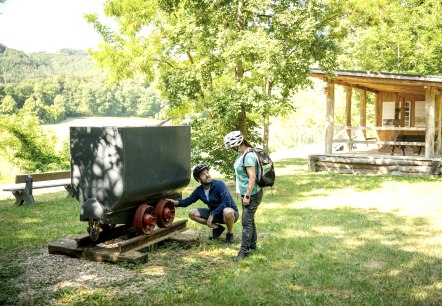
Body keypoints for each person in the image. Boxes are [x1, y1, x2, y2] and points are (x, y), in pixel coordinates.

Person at [167, 164, 239, 243]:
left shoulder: (219, 184)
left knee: (227, 211)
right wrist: (175, 202)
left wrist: (212, 214)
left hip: (230, 214)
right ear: (198, 179)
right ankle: (217, 228)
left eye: (207, 172)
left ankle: (230, 234)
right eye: (203, 174)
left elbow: (226, 202)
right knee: (192, 213)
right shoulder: (199, 191)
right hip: (215, 214)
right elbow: (187, 201)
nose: (207, 175)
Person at [224, 130, 264, 261]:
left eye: (232, 146)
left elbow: (252, 178)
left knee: (246, 223)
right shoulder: (241, 154)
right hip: (246, 193)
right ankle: (252, 245)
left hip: (252, 194)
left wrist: (247, 196)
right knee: (250, 220)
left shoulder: (249, 156)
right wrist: (239, 190)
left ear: (237, 144)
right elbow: (240, 175)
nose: (231, 149)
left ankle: (243, 251)